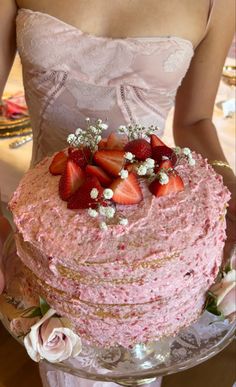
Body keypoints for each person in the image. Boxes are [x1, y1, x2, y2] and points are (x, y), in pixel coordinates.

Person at [0, 1, 235, 386]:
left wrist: (233, 197)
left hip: (150, 252)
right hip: (50, 241)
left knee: (140, 369)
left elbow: (195, 121)